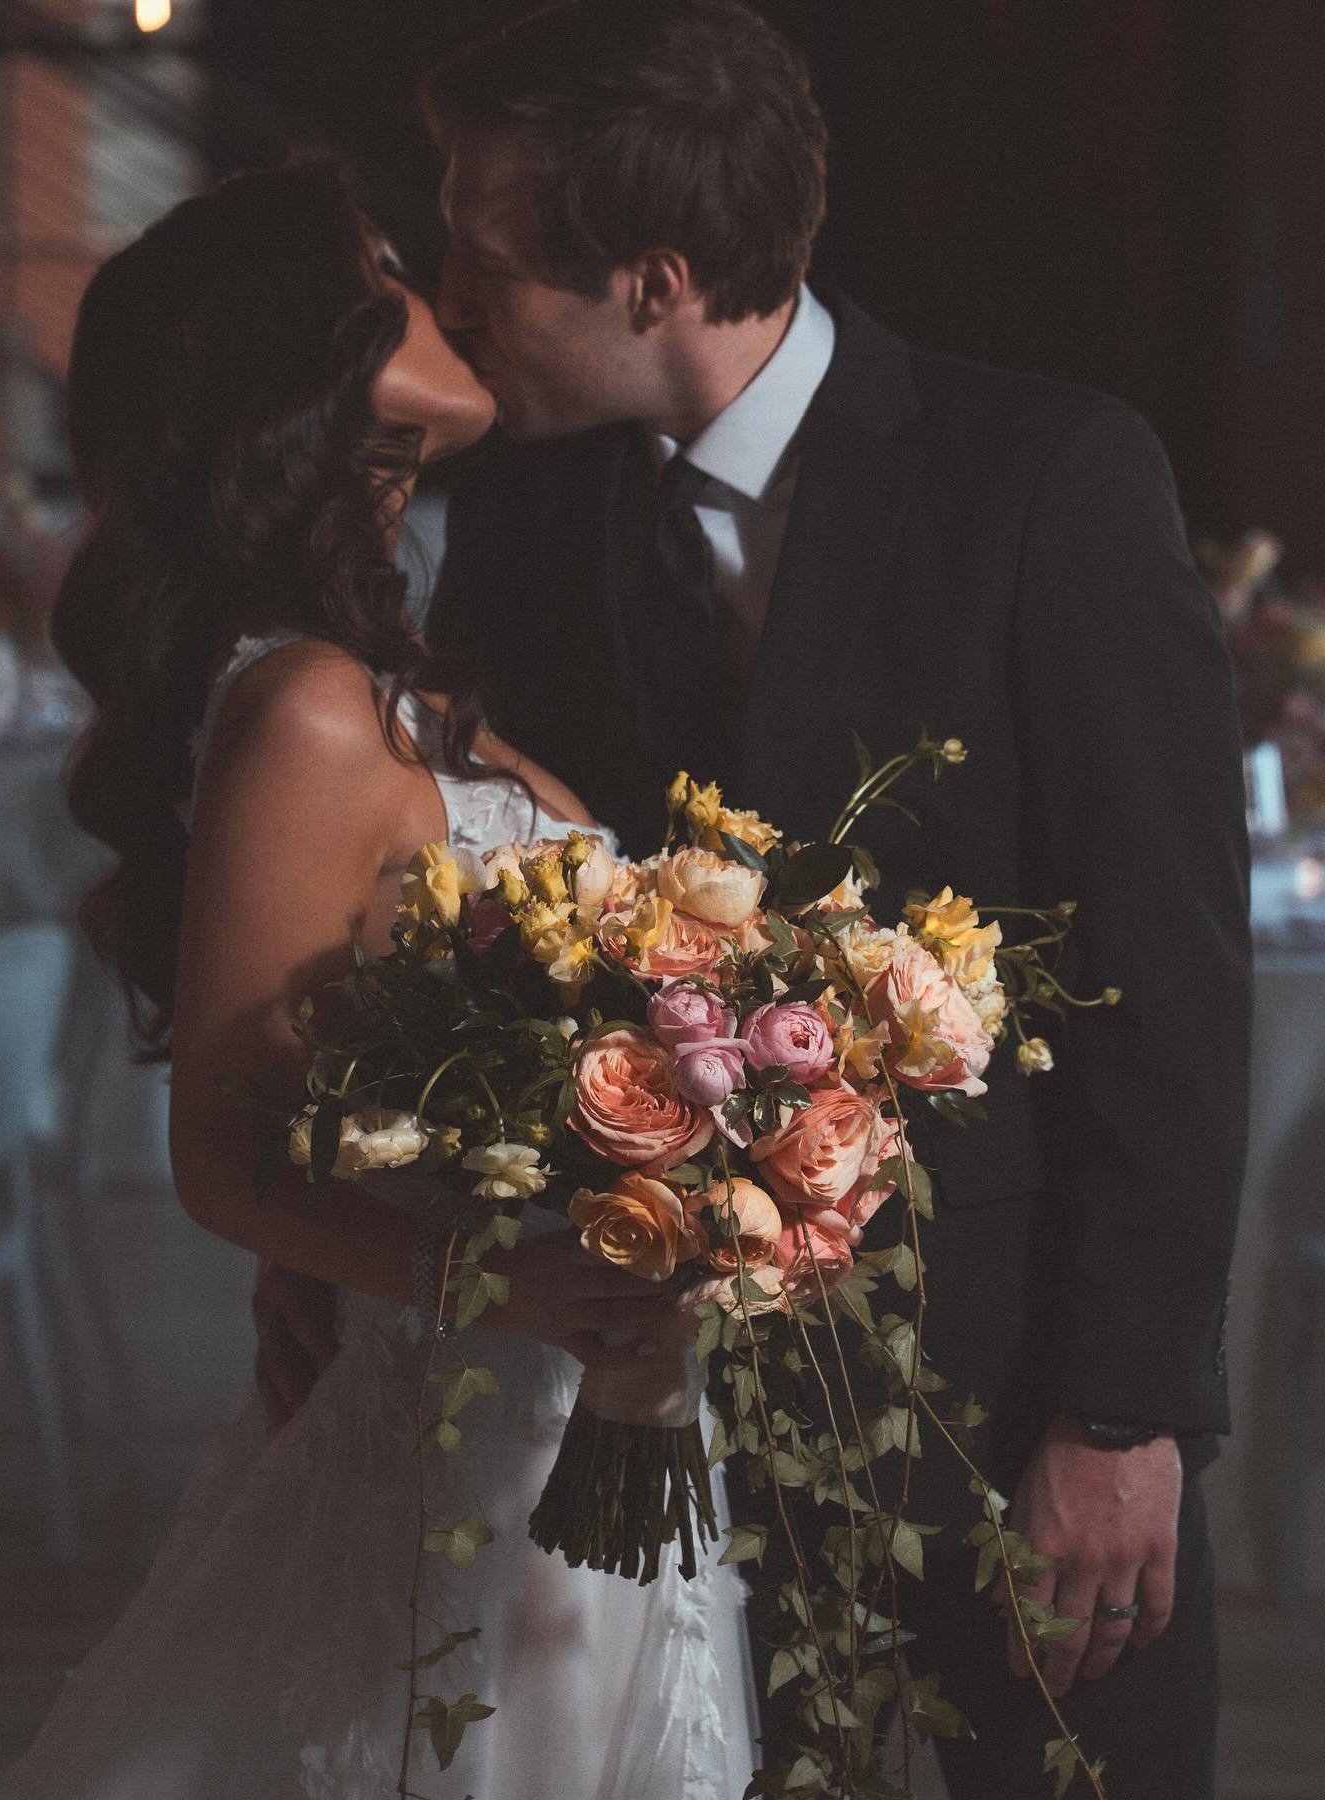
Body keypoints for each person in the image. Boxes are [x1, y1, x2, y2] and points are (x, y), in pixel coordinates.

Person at [249, 3, 1251, 1794]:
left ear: (653, 278)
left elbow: (1174, 981)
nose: (459, 301)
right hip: (667, 1397)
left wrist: (1125, 1416)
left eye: (485, 256)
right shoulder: (532, 519)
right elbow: (494, 912)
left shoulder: (1044, 478)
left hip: (1010, 1369)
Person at [0, 159, 758, 1800]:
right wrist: (515, 1280)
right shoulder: (305, 710)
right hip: (476, 1411)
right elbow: (223, 1154)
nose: (446, 289)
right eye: (393, 268)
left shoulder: (377, 671)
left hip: (571, 1397)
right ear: (308, 352)